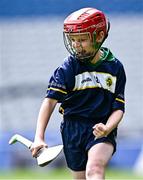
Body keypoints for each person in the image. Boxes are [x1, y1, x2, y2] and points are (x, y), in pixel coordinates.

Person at [31, 7, 126, 180]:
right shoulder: (67, 68)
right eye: (73, 40)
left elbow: (118, 108)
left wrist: (107, 128)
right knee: (81, 177)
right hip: (72, 130)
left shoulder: (115, 68)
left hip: (101, 128)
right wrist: (39, 137)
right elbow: (49, 102)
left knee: (95, 169)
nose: (76, 45)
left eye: (82, 40)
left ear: (99, 36)